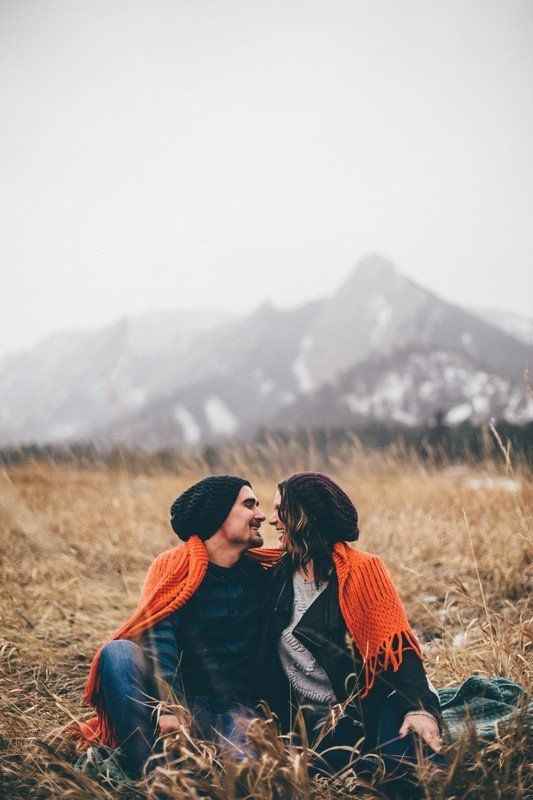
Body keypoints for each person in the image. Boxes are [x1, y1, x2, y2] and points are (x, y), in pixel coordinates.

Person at [77, 475, 279, 778]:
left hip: (234, 712)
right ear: (219, 515)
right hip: (178, 704)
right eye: (250, 505)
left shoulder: (263, 576)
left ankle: (184, 771)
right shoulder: (175, 567)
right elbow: (160, 635)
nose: (261, 515)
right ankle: (149, 774)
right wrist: (169, 707)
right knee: (117, 653)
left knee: (247, 777)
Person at [260, 472, 444, 799]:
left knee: (399, 772)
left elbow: (396, 648)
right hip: (317, 720)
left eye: (280, 511)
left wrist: (418, 707)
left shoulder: (361, 571)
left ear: (304, 518)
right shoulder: (275, 574)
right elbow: (218, 556)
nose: (272, 520)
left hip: (376, 702)